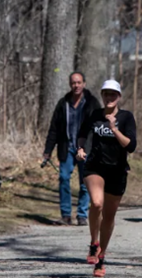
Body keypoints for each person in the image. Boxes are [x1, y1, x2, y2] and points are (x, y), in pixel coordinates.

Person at [76, 79, 136, 277]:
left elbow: (131, 146)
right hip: (94, 167)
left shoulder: (126, 117)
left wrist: (114, 128)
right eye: (106, 94)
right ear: (102, 96)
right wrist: (81, 148)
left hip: (117, 171)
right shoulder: (94, 115)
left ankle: (101, 258)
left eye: (113, 94)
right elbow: (82, 133)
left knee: (109, 216)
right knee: (97, 203)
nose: (109, 97)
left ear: (119, 97)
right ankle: (94, 243)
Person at [43, 72, 102, 226]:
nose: (76, 85)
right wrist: (48, 150)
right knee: (63, 178)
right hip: (67, 148)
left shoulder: (92, 103)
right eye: (73, 83)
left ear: (84, 83)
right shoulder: (63, 103)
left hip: (86, 149)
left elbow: (99, 127)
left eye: (79, 82)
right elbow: (54, 128)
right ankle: (66, 215)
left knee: (85, 182)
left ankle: (82, 214)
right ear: (70, 84)